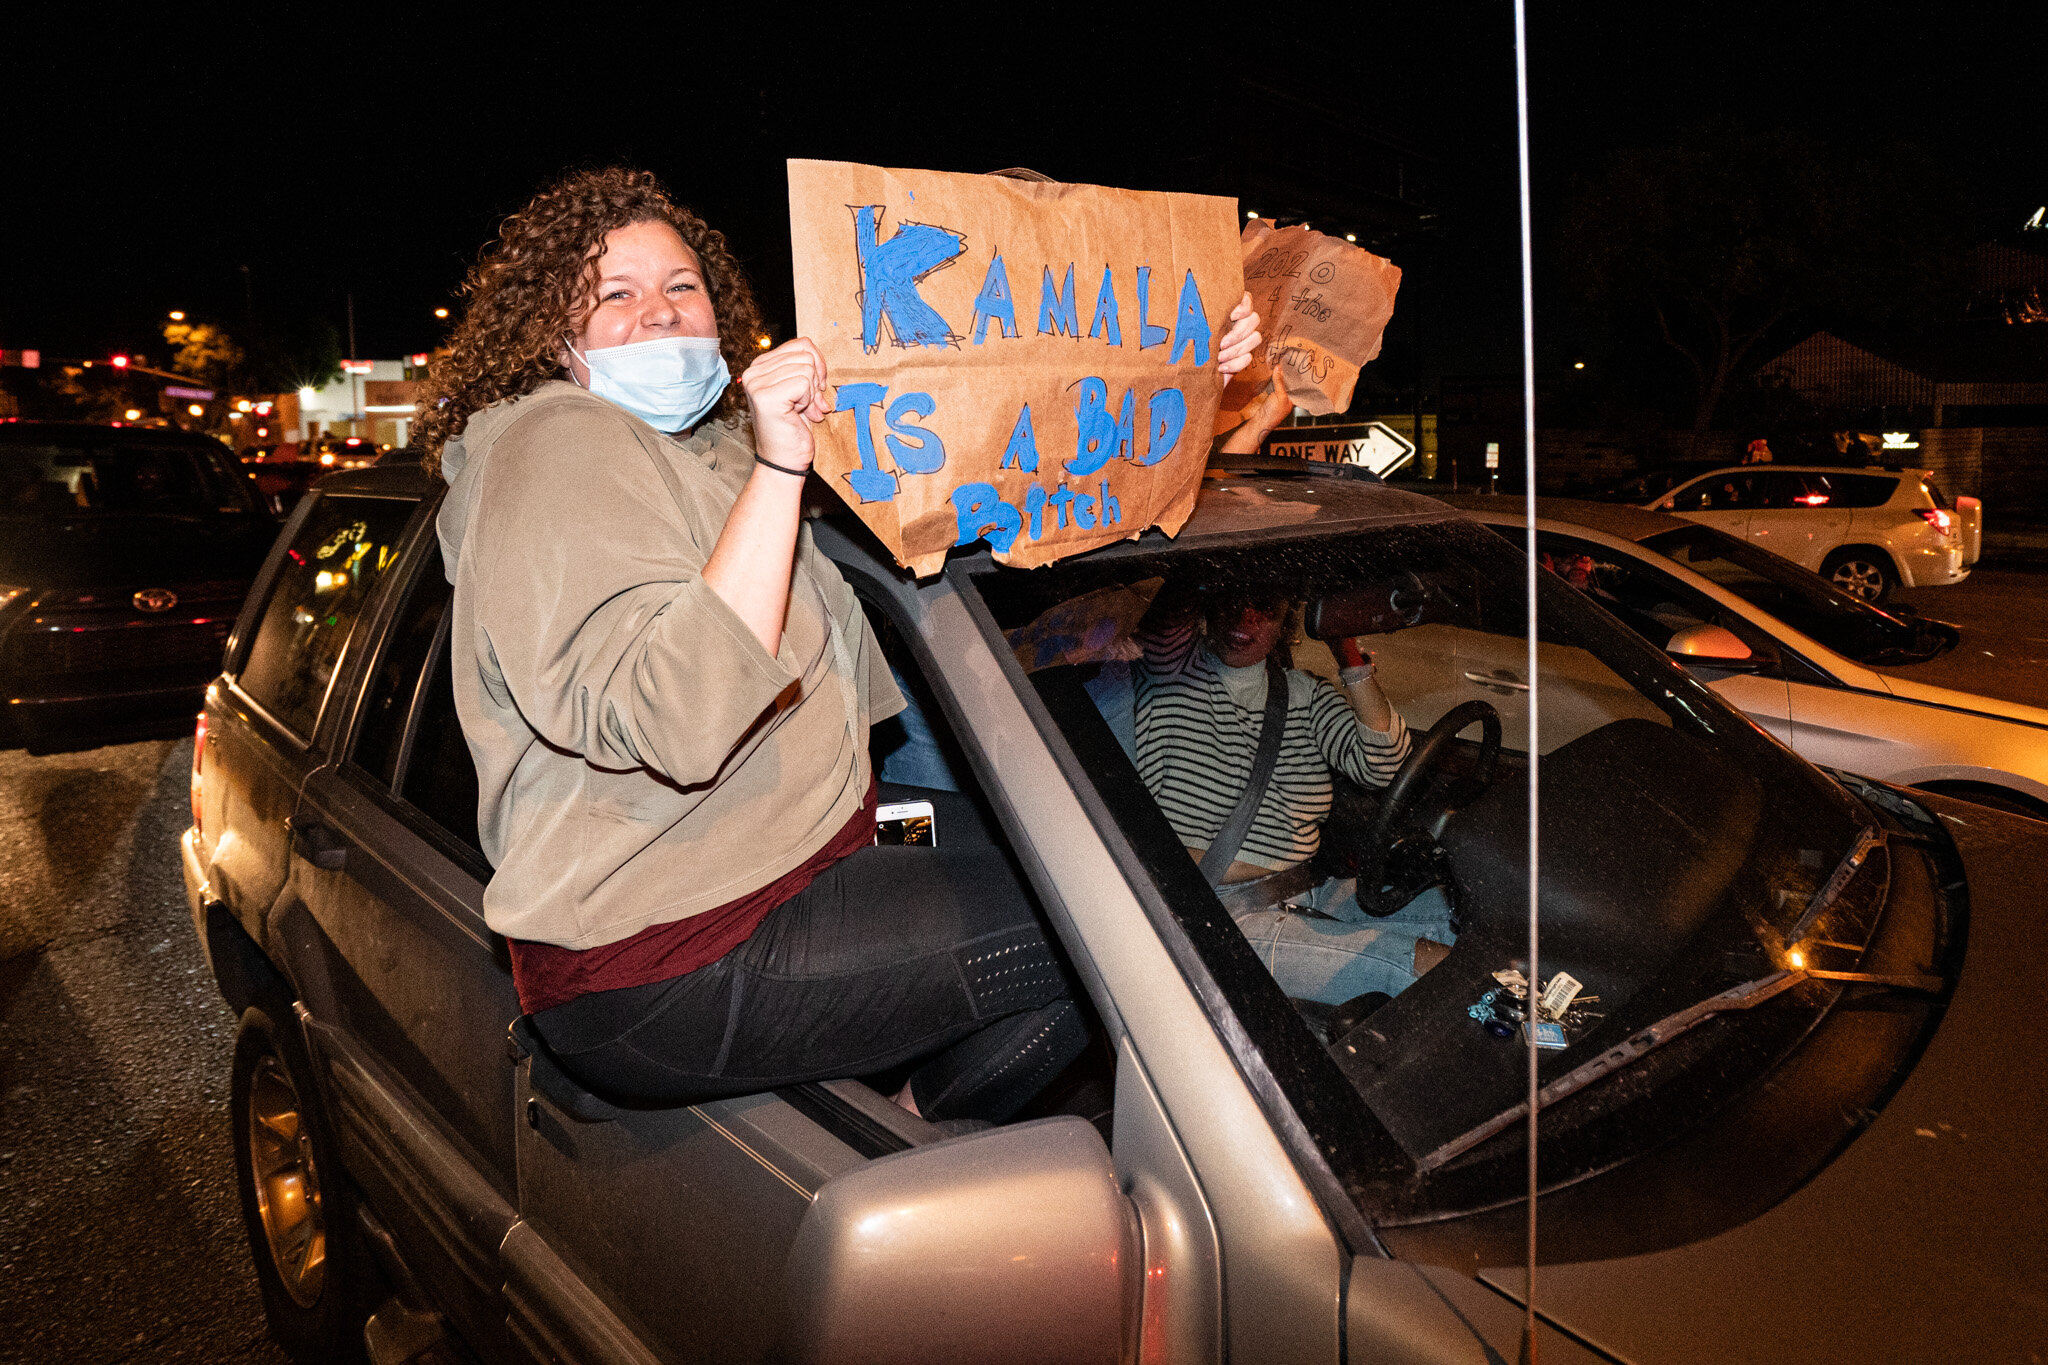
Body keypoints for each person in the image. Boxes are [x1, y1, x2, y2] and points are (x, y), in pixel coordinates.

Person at [413, 167, 1264, 1123]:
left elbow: (995, 467)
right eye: (615, 294)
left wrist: (1178, 366)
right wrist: (783, 465)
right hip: (677, 941)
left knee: (1099, 857)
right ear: (553, 336)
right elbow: (675, 716)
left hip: (831, 836)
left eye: (681, 285)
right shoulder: (558, 444)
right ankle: (916, 1128)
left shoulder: (711, 445)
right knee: (1121, 930)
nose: (659, 313)